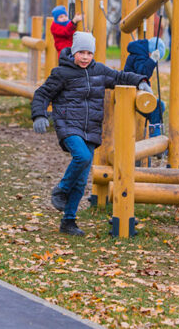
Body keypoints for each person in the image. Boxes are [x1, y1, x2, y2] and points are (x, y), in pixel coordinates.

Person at [31, 31, 151, 236]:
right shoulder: (62, 73)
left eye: (89, 53)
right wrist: (39, 115)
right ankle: (60, 189)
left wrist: (140, 80)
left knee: (81, 179)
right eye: (81, 53)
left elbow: (120, 76)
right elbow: (42, 94)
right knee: (83, 157)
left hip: (92, 128)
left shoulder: (99, 71)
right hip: (68, 125)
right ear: (73, 52)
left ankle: (68, 221)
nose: (85, 57)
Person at [123, 37, 166, 137]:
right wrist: (152, 61)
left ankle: (155, 132)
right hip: (131, 90)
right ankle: (155, 136)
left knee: (159, 106)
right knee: (158, 106)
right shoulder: (140, 55)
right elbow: (142, 73)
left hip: (135, 88)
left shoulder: (139, 51)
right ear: (151, 52)